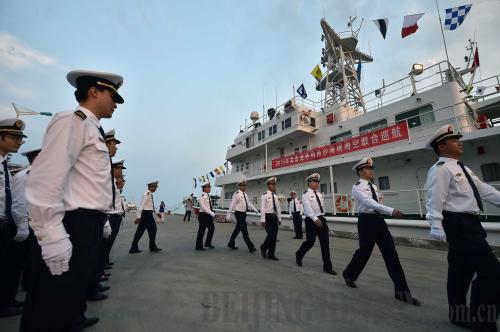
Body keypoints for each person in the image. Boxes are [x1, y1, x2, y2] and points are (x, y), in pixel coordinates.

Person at [20, 70, 125, 331]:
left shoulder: (92, 128)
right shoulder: (72, 121)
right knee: (49, 304)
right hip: (72, 224)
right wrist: (51, 234)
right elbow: (46, 179)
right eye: (112, 95)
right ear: (94, 91)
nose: (116, 102)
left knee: (69, 297)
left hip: (88, 223)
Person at [425, 125, 500, 330]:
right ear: (442, 146)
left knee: (461, 271)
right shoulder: (440, 170)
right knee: (492, 273)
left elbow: (484, 190)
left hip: (471, 224)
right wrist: (436, 225)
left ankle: (458, 314)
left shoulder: (463, 169)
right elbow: (435, 199)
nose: (460, 142)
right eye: (454, 139)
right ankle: (482, 321)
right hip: (458, 224)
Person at [342, 158, 420, 306]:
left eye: (371, 168)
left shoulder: (374, 186)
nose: (371, 171)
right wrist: (391, 211)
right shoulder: (357, 187)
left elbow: (378, 203)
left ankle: (402, 292)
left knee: (391, 255)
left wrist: (385, 212)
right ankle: (349, 274)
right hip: (366, 222)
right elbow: (370, 203)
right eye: (368, 168)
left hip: (379, 221)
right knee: (364, 253)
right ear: (360, 171)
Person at [0, 118, 27, 318]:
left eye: (20, 138)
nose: (19, 141)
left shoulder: (5, 166)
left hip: (6, 224)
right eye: (15, 137)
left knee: (7, 266)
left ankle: (7, 301)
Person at [12, 149, 41, 295]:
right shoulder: (22, 176)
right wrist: (22, 226)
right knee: (28, 259)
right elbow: (19, 203)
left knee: (38, 259)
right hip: (29, 224)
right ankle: (28, 287)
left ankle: (32, 286)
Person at [295, 173, 336, 275]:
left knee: (325, 244)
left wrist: (321, 218)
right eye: (315, 182)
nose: (317, 184)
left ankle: (327, 267)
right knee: (310, 242)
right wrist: (315, 219)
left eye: (318, 182)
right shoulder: (305, 195)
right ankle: (299, 254)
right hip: (311, 221)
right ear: (309, 183)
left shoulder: (319, 194)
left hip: (321, 219)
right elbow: (308, 209)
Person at [129, 181, 162, 254]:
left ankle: (133, 248)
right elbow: (141, 205)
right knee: (153, 230)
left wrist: (157, 213)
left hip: (146, 214)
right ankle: (152, 247)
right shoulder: (147, 194)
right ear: (150, 187)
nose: (155, 188)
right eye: (154, 187)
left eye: (156, 187)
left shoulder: (149, 194)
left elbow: (151, 205)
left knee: (139, 232)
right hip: (147, 215)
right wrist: (138, 216)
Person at [226, 180, 258, 252]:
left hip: (243, 214)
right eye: (243, 185)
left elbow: (248, 204)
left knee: (237, 230)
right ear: (239, 186)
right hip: (238, 213)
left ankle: (231, 243)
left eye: (245, 185)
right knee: (244, 231)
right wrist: (228, 214)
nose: (244, 187)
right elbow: (232, 204)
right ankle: (251, 247)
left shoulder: (245, 194)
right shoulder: (237, 194)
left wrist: (255, 210)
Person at [259, 177, 281, 261]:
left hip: (274, 217)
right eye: (272, 184)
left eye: (274, 184)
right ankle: (263, 247)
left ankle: (271, 254)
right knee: (271, 235)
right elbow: (262, 208)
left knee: (274, 237)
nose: (274, 186)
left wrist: (279, 219)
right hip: (267, 217)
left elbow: (278, 208)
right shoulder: (264, 195)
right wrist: (262, 220)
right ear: (268, 185)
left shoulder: (275, 196)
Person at [195, 182, 216, 250]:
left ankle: (207, 243)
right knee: (201, 231)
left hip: (208, 215)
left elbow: (209, 206)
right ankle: (198, 246)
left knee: (212, 228)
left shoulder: (208, 195)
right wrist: (211, 213)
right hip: (203, 215)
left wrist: (211, 212)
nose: (209, 188)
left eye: (209, 187)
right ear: (204, 188)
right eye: (208, 187)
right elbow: (203, 207)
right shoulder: (202, 196)